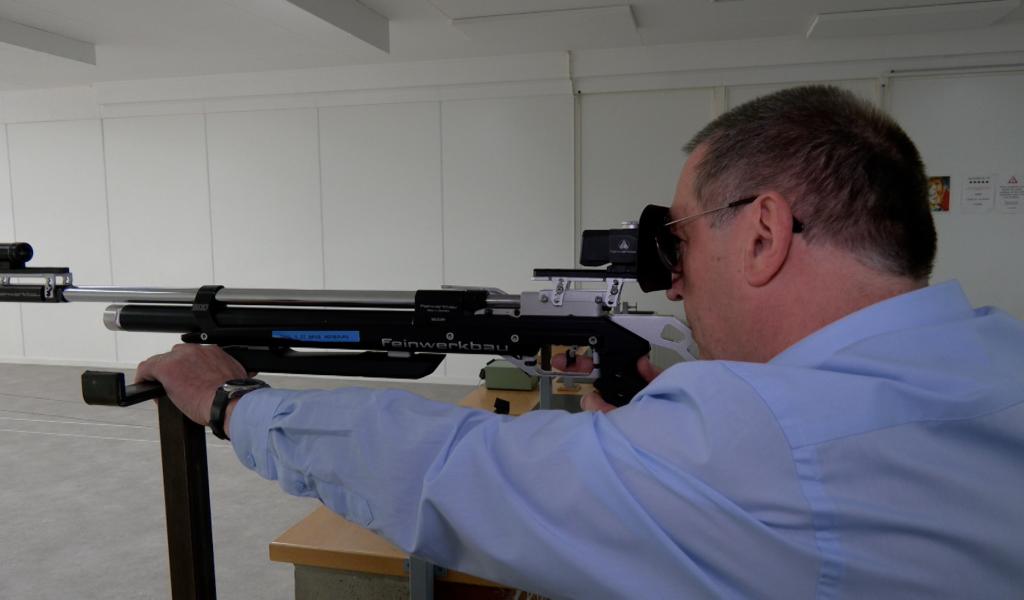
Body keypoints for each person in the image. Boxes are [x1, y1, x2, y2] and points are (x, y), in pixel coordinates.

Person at [136, 85, 1024, 598]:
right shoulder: (999, 359)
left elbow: (453, 472)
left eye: (678, 241)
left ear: (762, 234)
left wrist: (233, 402)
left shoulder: (760, 433)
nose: (673, 280)